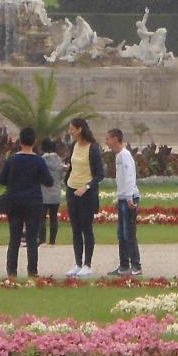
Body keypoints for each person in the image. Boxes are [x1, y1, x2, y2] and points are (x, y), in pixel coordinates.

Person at [0, 126, 48, 278]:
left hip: (14, 202)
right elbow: (48, 180)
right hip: (33, 202)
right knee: (32, 239)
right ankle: (32, 271)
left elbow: (2, 180)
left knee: (14, 238)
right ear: (34, 142)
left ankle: (11, 271)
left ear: (20, 141)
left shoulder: (12, 160)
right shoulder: (38, 161)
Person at [62, 117, 105, 278]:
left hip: (86, 193)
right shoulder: (74, 146)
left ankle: (87, 264)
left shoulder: (93, 148)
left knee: (86, 228)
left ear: (79, 129)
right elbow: (74, 166)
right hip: (72, 189)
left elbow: (100, 174)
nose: (70, 131)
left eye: (72, 128)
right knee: (75, 229)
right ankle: (78, 263)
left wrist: (86, 187)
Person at [108, 128, 142, 277]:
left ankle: (136, 265)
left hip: (130, 198)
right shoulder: (119, 156)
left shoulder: (125, 155)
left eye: (108, 138)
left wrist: (128, 197)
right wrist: (120, 197)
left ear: (115, 139)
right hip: (123, 198)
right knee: (121, 234)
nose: (107, 142)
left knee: (129, 233)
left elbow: (129, 177)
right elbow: (121, 180)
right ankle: (123, 265)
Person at [38, 136, 65, 247]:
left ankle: (43, 240)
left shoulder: (41, 160)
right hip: (56, 193)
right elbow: (61, 176)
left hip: (43, 193)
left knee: (41, 218)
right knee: (54, 218)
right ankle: (52, 241)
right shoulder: (59, 161)